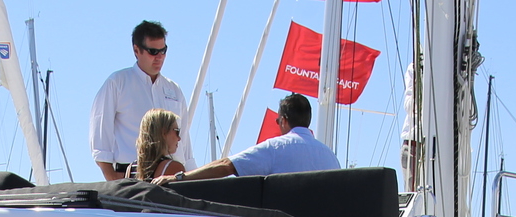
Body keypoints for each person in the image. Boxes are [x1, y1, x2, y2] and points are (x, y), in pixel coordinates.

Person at [90, 21, 186, 180]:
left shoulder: (174, 89)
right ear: (136, 50)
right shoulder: (117, 83)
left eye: (163, 51)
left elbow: (185, 142)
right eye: (153, 52)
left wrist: (191, 178)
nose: (159, 57)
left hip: (173, 175)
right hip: (133, 175)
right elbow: (100, 136)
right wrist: (113, 179)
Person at [173, 92, 338, 182]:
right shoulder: (330, 157)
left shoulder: (276, 148)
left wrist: (180, 177)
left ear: (283, 120)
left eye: (277, 121)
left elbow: (226, 166)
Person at [133, 108, 186, 182]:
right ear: (164, 132)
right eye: (177, 131)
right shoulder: (174, 167)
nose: (179, 138)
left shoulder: (131, 168)